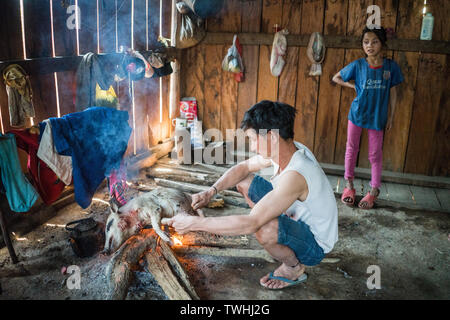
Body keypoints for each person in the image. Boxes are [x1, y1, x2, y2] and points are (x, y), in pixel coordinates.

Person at [162, 100, 338, 290]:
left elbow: (251, 223)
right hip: (293, 215)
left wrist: (194, 224)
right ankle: (275, 237)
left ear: (271, 137)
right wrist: (210, 191)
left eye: (254, 139)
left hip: (314, 245)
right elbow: (243, 167)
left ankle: (293, 266)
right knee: (244, 181)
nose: (253, 147)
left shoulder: (297, 174)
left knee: (261, 227)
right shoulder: (288, 148)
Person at [332, 26, 403, 209]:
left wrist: (392, 116)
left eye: (374, 41)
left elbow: (394, 93)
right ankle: (349, 187)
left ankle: (373, 191)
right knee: (351, 148)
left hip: (378, 116)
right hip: (357, 114)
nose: (369, 45)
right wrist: (353, 87)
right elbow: (336, 77)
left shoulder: (390, 67)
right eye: (365, 42)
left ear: (382, 44)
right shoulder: (358, 65)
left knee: (375, 154)